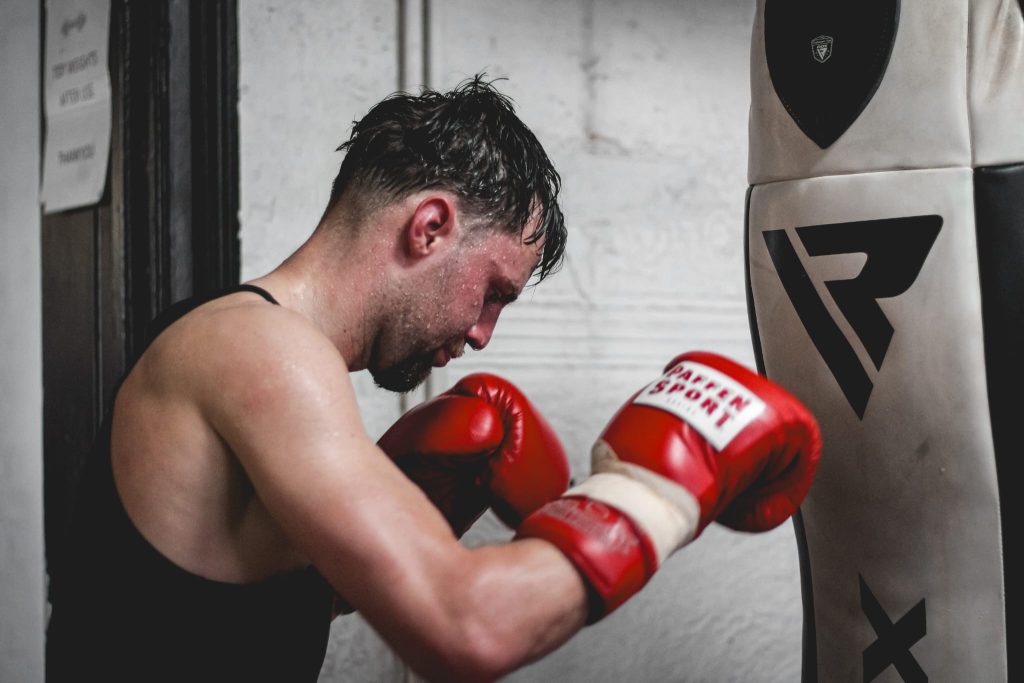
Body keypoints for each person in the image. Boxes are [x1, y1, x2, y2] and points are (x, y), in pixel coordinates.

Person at [46, 76, 821, 683]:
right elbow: (469, 628)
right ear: (430, 227)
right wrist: (653, 494)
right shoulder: (260, 353)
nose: (483, 333)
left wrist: (404, 519)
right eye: (492, 291)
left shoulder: (238, 340)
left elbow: (213, 621)